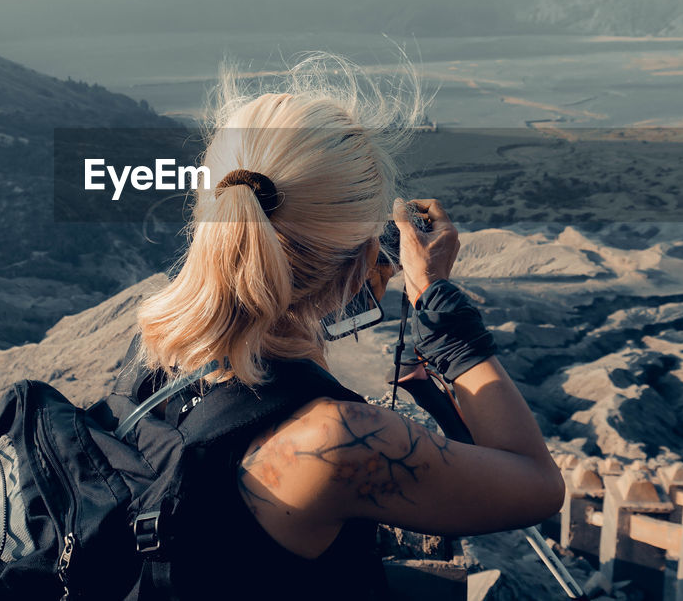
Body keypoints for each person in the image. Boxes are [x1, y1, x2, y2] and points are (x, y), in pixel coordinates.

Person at [132, 56, 564, 599]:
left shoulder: (154, 345)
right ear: (362, 258)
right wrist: (436, 301)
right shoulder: (336, 441)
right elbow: (540, 485)